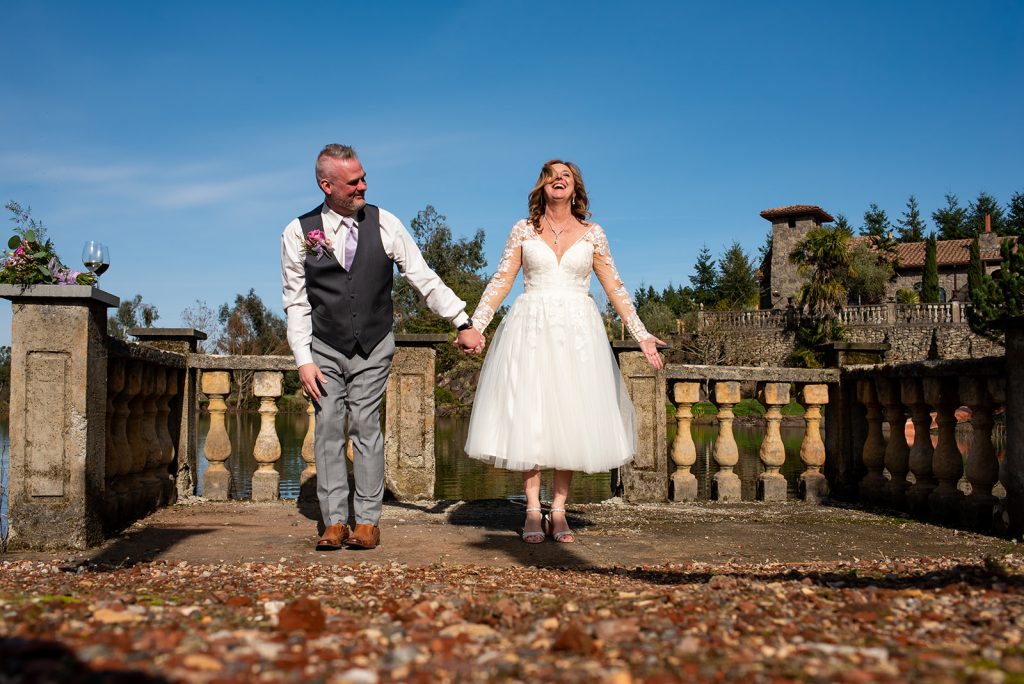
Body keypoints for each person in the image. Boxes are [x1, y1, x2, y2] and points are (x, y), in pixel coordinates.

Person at [281, 144, 484, 551]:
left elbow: (422, 278)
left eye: (363, 177)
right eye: (353, 182)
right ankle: (334, 521)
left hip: (373, 345)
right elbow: (296, 302)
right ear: (326, 185)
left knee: (365, 425)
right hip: (324, 346)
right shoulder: (298, 232)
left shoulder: (385, 223)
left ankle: (367, 521)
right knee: (328, 427)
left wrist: (461, 321)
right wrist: (303, 360)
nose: (363, 186)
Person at [463, 160, 664, 543]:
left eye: (566, 175)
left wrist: (641, 334)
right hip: (530, 329)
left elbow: (615, 287)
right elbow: (501, 280)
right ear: (542, 185)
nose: (559, 179)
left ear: (576, 188)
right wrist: (476, 325)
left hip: (577, 334)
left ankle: (558, 510)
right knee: (531, 414)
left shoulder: (593, 234)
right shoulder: (523, 230)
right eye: (552, 174)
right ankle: (531, 509)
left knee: (571, 415)